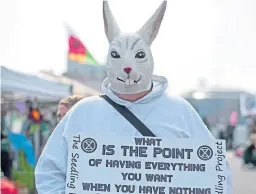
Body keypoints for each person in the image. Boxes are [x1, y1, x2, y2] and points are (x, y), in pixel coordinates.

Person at [35, 1, 233, 194]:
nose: (127, 66)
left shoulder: (181, 112)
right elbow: (49, 171)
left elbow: (217, 173)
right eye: (117, 56)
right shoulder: (83, 112)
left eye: (139, 56)